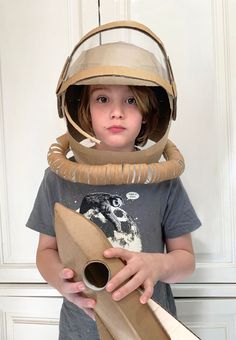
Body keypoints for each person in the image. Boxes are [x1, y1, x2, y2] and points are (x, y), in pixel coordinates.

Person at [26, 21, 201, 339]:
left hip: (148, 328)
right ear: (85, 109)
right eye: (102, 99)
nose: (117, 111)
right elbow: (45, 251)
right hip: (80, 330)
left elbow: (186, 260)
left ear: (148, 111)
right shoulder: (58, 179)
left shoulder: (164, 182)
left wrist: (156, 265)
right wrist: (62, 282)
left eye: (131, 100)